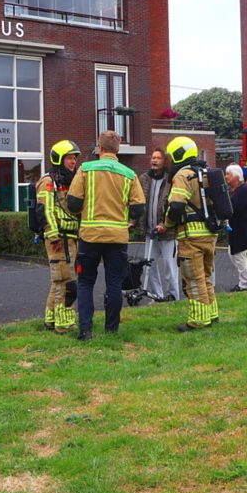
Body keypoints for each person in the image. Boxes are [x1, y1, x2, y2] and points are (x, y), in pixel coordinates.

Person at [67, 131, 145, 341]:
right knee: (114, 284)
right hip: (118, 237)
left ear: (99, 148)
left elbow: (72, 202)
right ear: (118, 150)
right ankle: (111, 330)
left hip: (90, 236)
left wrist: (83, 214)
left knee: (85, 282)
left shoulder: (85, 169)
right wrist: (125, 217)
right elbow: (138, 208)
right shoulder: (129, 174)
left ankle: (85, 331)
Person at [157, 136, 219, 331]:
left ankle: (198, 320)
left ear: (177, 154)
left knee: (193, 278)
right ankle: (212, 314)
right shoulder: (207, 172)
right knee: (206, 276)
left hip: (191, 237)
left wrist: (167, 223)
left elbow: (176, 206)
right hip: (209, 235)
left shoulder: (184, 175)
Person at [37, 140, 82, 333]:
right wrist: (53, 235)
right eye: (69, 158)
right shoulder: (49, 181)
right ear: (59, 159)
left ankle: (50, 319)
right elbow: (44, 210)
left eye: (74, 158)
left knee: (59, 280)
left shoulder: (68, 179)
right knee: (67, 280)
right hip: (59, 239)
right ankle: (65, 324)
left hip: (71, 237)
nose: (73, 162)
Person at [138, 148, 179, 301]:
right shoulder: (144, 178)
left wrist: (165, 224)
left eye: (158, 158)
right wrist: (133, 221)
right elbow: (139, 201)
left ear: (165, 161)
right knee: (150, 265)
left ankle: (173, 296)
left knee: (170, 266)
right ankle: (157, 297)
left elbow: (173, 204)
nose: (154, 161)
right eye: (153, 158)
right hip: (150, 231)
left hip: (168, 232)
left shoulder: (171, 179)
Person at [225, 164, 247, 292]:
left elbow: (235, 208)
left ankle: (243, 284)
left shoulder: (243, 190)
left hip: (242, 228)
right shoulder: (236, 190)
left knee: (239, 255)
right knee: (233, 253)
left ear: (237, 177)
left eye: (229, 174)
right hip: (238, 228)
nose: (226, 177)